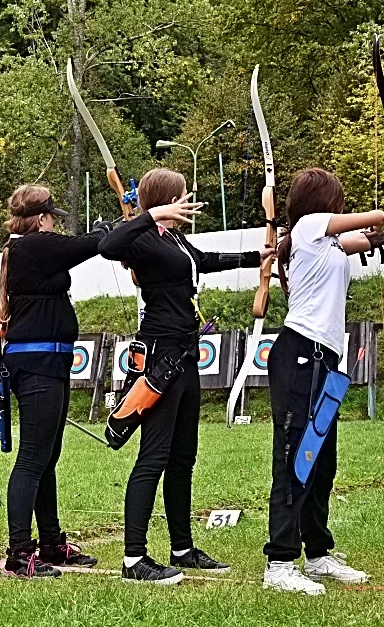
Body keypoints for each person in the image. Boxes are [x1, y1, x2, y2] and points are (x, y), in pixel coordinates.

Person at [98, 168, 271, 585]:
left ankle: (182, 547)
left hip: (185, 354)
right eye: (180, 196)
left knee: (182, 456)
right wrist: (150, 214)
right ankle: (133, 559)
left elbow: (203, 262)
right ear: (164, 200)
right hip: (160, 359)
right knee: (153, 456)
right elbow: (107, 245)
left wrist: (256, 258)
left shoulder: (174, 239)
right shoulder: (142, 239)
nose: (188, 200)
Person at [261, 168, 384, 594]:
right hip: (298, 356)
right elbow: (364, 224)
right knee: (295, 461)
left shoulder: (326, 243)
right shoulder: (306, 228)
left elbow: (363, 238)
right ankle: (280, 563)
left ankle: (318, 554)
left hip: (325, 359)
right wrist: (382, 216)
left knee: (321, 461)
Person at [0, 185, 113, 578]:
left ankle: (50, 542)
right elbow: (87, 246)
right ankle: (19, 552)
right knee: (33, 458)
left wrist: (105, 229)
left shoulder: (32, 248)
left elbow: (84, 244)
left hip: (49, 360)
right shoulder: (33, 245)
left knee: (46, 457)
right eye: (52, 217)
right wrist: (106, 229)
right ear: (43, 218)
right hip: (38, 362)